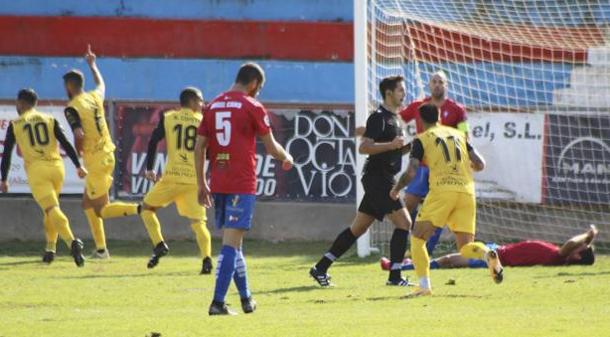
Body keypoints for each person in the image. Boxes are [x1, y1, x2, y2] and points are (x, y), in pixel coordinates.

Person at [195, 62, 294, 315]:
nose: (257, 93)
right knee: (231, 244)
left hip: (218, 181)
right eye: (258, 88)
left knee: (234, 243)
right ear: (253, 84)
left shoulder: (213, 104)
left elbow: (199, 147)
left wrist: (201, 182)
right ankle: (217, 302)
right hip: (241, 183)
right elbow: (271, 147)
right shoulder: (252, 106)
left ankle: (246, 299)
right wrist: (286, 157)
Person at [390, 103, 502, 297]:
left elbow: (412, 170)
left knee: (417, 239)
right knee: (466, 247)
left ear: (420, 120)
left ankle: (424, 286)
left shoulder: (422, 139)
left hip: (442, 191)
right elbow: (480, 164)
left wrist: (397, 188)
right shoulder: (458, 135)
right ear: (440, 116)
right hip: (467, 192)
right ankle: (486, 254)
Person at [310, 75, 413, 288]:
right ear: (389, 93)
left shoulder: (395, 119)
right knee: (404, 223)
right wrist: (392, 146)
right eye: (401, 90)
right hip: (378, 178)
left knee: (357, 229)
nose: (404, 93)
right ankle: (395, 276)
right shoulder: (378, 117)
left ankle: (320, 267)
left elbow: (393, 149)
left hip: (383, 177)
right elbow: (364, 147)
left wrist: (410, 148)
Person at [62, 45, 139, 259]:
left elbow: (78, 134)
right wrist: (93, 65)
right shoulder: (95, 97)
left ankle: (141, 209)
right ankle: (102, 249)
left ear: (69, 86)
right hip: (107, 153)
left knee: (100, 209)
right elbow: (101, 83)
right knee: (87, 204)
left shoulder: (72, 107)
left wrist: (79, 161)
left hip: (95, 161)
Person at [0, 88, 87, 266]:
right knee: (51, 209)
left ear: (21, 103)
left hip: (37, 170)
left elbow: (7, 153)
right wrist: (78, 165)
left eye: (18, 103)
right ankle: (50, 248)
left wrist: (4, 178)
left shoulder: (16, 124)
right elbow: (65, 142)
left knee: (52, 209)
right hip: (56, 168)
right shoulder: (50, 119)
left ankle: (72, 242)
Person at [139, 87, 213, 274]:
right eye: (201, 101)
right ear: (193, 101)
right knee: (198, 223)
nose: (203, 104)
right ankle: (206, 260)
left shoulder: (169, 117)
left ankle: (159, 244)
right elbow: (210, 153)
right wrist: (207, 177)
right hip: (193, 181)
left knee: (146, 209)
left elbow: (153, 141)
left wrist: (149, 167)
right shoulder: (203, 122)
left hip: (171, 178)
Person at [400, 71, 468, 253]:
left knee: (439, 211)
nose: (437, 84)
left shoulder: (458, 110)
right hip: (421, 166)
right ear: (429, 85)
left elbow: (465, 135)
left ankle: (427, 248)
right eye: (434, 81)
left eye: (441, 82)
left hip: (444, 170)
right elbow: (398, 118)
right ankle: (413, 238)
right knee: (408, 204)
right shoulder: (418, 106)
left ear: (446, 85)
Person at [380, 225, 599, 270]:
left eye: (580, 249)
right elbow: (573, 246)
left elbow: (570, 245)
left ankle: (398, 267)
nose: (576, 247)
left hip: (494, 258)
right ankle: (406, 264)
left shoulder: (558, 257)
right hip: (497, 249)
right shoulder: (558, 256)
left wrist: (588, 236)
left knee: (450, 259)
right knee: (455, 253)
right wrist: (586, 242)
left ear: (577, 257)